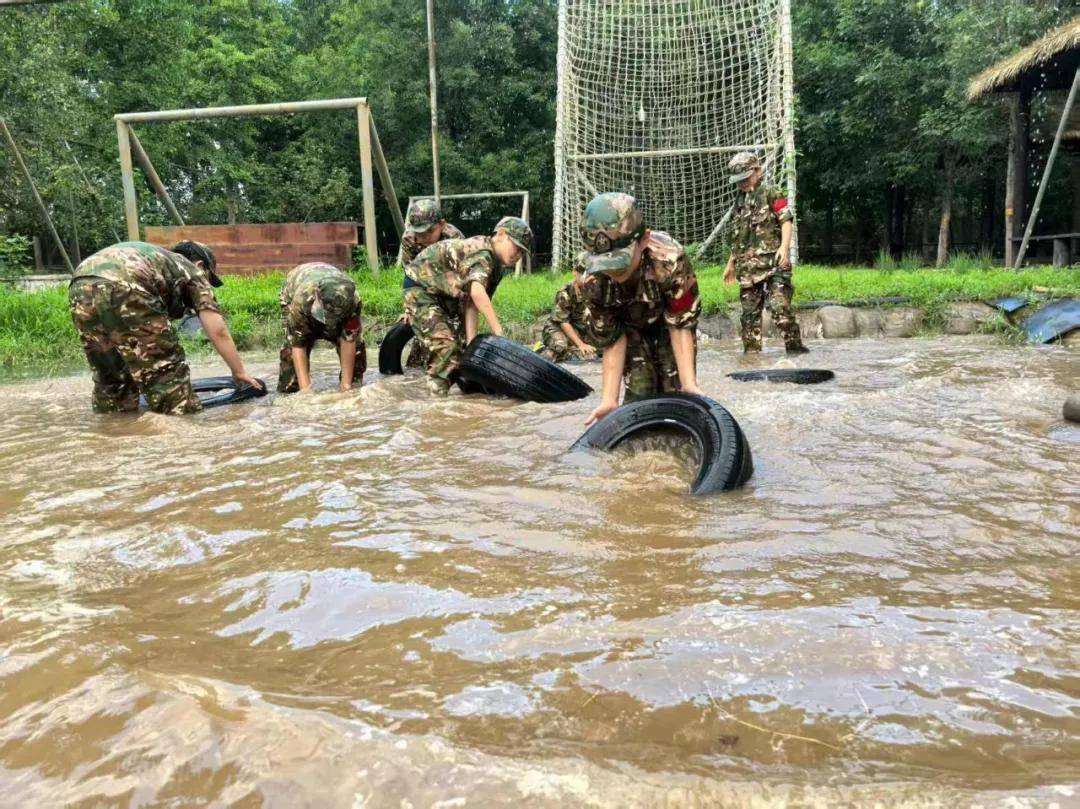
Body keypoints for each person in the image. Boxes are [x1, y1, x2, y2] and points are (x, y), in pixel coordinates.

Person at [68, 240, 261, 414]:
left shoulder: (159, 261)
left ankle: (114, 428)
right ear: (201, 265)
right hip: (128, 284)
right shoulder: (192, 270)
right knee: (167, 380)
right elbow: (218, 330)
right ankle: (178, 428)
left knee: (111, 380)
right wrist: (239, 371)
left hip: (81, 282)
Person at [576, 192, 703, 426]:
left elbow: (680, 323)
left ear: (643, 240)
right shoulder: (591, 279)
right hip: (629, 327)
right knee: (639, 394)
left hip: (667, 324)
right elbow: (612, 337)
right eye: (605, 263)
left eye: (619, 260)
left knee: (677, 396)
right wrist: (609, 400)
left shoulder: (669, 261)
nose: (613, 271)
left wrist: (689, 385)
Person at [406, 216, 532, 395]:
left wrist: (471, 343)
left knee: (463, 350)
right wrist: (498, 332)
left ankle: (461, 393)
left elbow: (472, 304)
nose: (518, 255)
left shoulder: (497, 267)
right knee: (446, 349)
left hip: (446, 294)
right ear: (501, 234)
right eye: (517, 247)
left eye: (522, 252)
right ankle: (437, 402)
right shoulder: (483, 252)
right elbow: (477, 293)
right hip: (421, 289)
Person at [722, 152, 808, 354]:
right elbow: (739, 237)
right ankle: (752, 360)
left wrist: (784, 248)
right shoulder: (739, 201)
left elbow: (786, 220)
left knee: (780, 310)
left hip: (774, 264)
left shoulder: (771, 193)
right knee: (749, 320)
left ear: (757, 171)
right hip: (748, 270)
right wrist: (731, 263)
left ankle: (796, 351)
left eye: (745, 178)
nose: (742, 184)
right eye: (738, 181)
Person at [277, 262, 364, 393]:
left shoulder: (353, 301)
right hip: (295, 288)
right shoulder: (302, 300)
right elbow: (298, 345)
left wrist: (346, 387)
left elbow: (349, 340)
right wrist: (306, 392)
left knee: (357, 354)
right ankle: (289, 392)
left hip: (326, 284)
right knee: (290, 355)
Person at [399, 198, 465, 368]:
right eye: (419, 233)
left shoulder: (454, 238)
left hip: (452, 288)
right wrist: (409, 309)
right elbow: (411, 276)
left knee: (456, 338)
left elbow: (461, 278)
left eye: (429, 232)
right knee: (423, 327)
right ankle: (416, 372)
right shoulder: (409, 240)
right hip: (425, 289)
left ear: (442, 224)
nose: (424, 238)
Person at [536, 269, 600, 362]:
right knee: (560, 345)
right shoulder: (566, 292)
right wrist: (580, 344)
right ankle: (542, 351)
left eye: (591, 274)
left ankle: (571, 352)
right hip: (558, 327)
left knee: (595, 352)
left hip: (578, 330)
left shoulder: (596, 290)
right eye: (583, 273)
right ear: (575, 272)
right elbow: (563, 322)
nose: (587, 277)